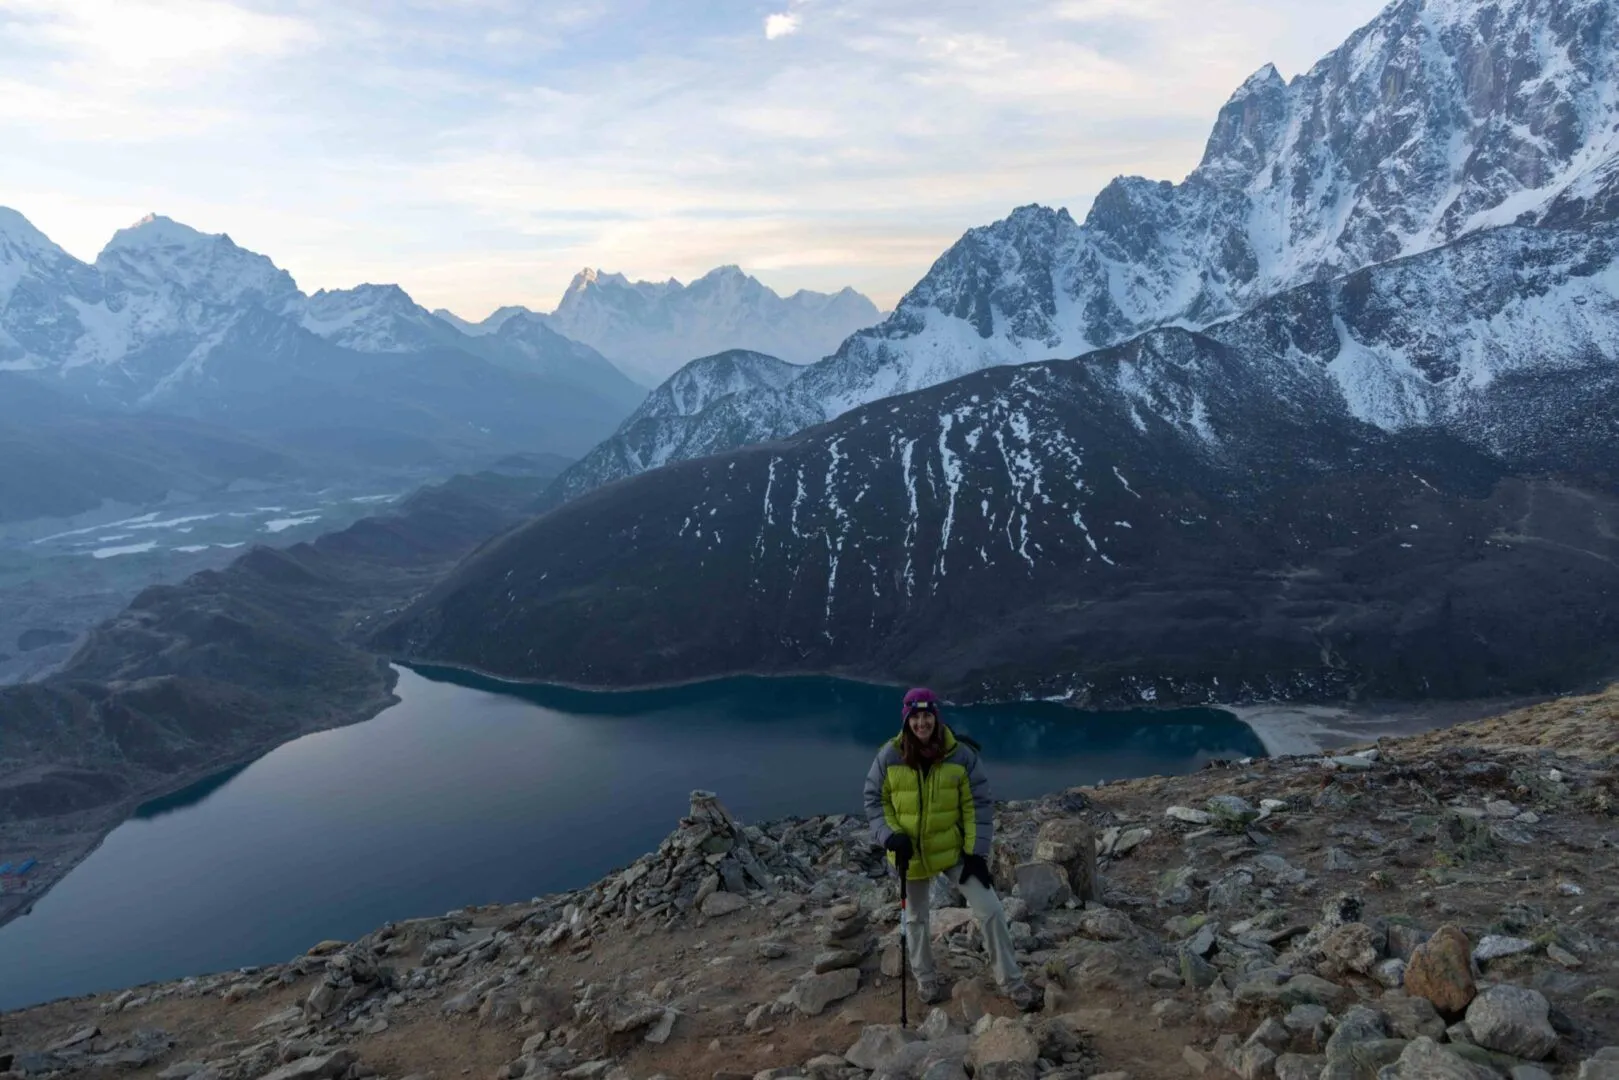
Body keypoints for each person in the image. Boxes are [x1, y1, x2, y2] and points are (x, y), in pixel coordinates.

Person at [862, 687, 1041, 1011]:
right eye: (915, 717)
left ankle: (1013, 982)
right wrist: (890, 836)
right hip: (910, 853)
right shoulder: (889, 755)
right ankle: (925, 978)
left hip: (954, 851)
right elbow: (875, 800)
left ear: (936, 717)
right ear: (906, 720)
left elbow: (977, 805)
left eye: (927, 715)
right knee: (915, 917)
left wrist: (976, 854)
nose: (921, 723)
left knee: (991, 909)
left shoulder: (960, 755)